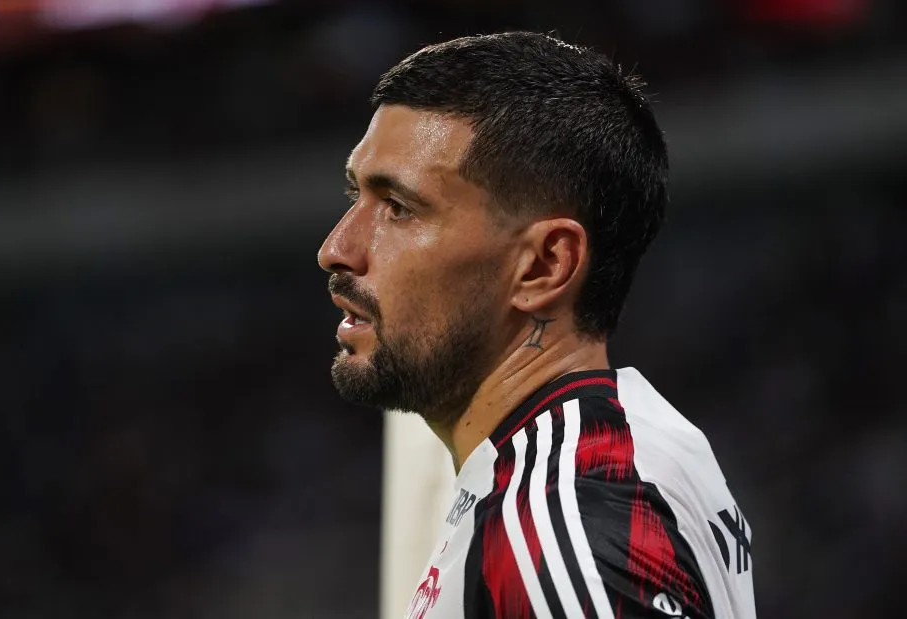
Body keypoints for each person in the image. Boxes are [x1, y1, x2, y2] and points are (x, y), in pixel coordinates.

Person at [317, 32, 756, 619]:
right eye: (356, 195)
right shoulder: (619, 452)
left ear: (546, 265)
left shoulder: (558, 521)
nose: (337, 249)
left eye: (399, 207)